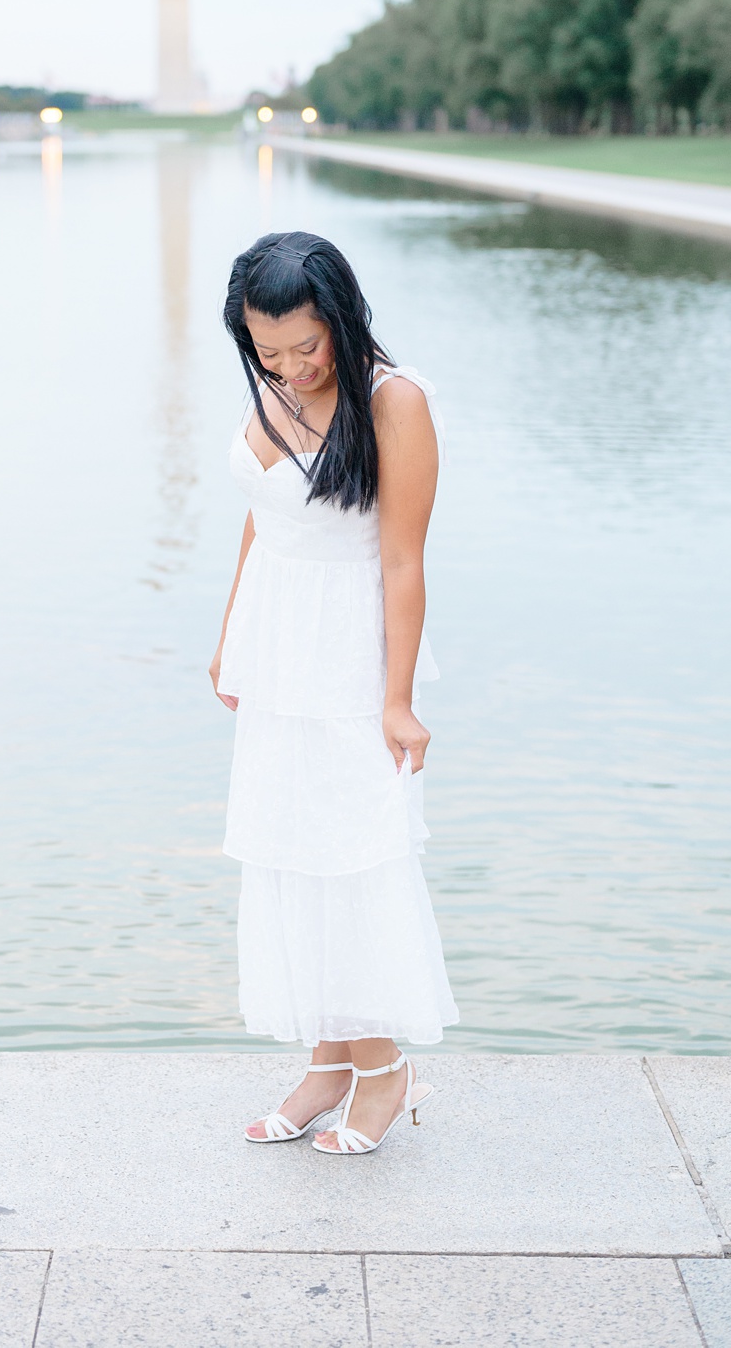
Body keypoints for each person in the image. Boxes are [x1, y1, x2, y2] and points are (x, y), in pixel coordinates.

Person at [208, 231, 453, 1156]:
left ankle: (384, 1069)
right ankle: (327, 1061)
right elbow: (260, 517)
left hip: (349, 652)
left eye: (305, 347)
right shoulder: (273, 384)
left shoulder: (396, 403)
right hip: (275, 651)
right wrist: (231, 639)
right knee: (288, 852)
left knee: (355, 857)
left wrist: (397, 700)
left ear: (343, 319)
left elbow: (401, 559)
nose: (289, 368)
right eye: (266, 352)